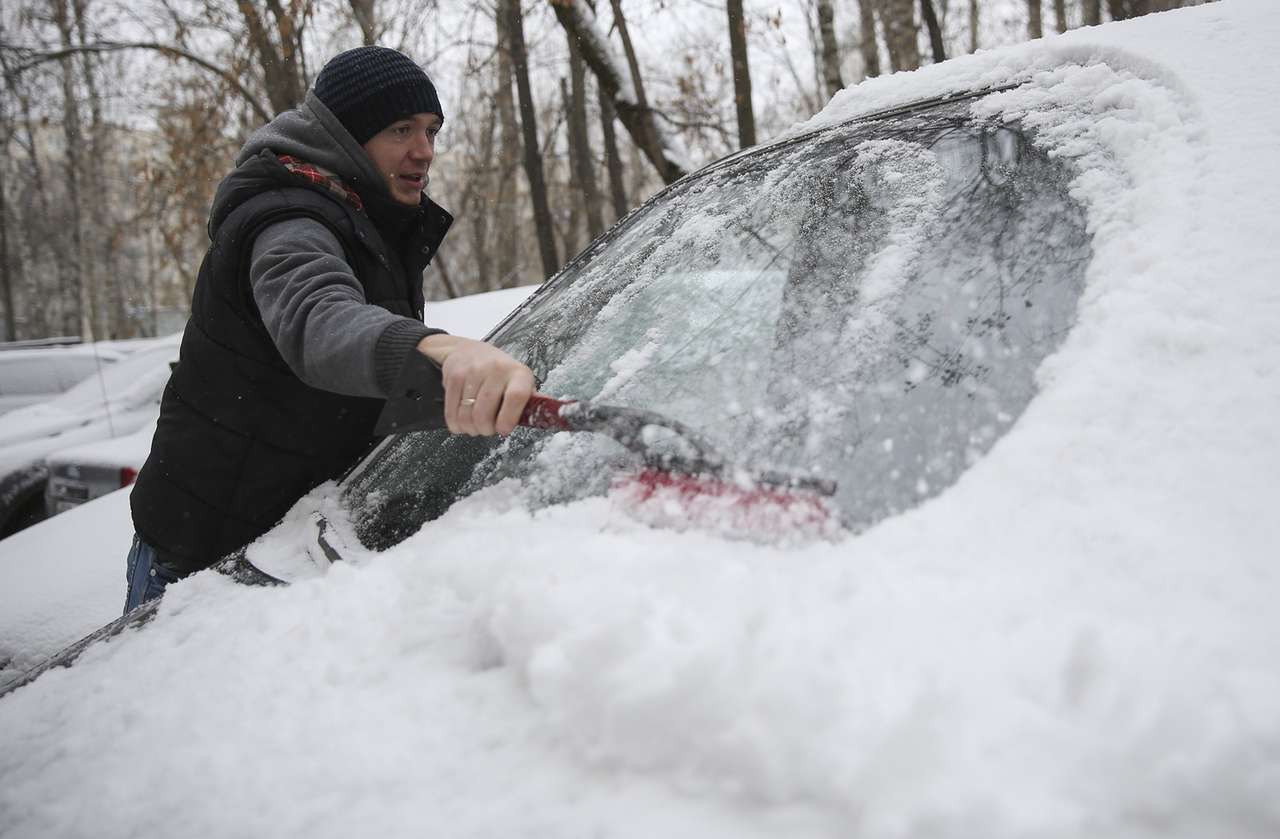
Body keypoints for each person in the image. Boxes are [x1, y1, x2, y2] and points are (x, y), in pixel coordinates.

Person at [124, 46, 534, 612]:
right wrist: (434, 347)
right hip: (202, 562)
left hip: (290, 545)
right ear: (345, 135)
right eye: (401, 129)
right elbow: (317, 319)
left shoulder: (365, 214)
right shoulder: (288, 216)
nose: (425, 151)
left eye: (432, 130)